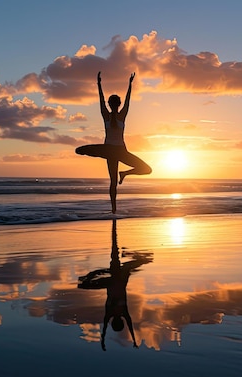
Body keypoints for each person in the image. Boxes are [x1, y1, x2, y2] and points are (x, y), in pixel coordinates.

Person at [75, 71, 152, 213]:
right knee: (141, 172)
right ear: (116, 104)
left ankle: (124, 176)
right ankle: (114, 210)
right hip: (111, 150)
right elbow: (112, 100)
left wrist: (100, 84)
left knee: (137, 173)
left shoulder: (114, 115)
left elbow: (104, 100)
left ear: (112, 104)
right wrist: (129, 84)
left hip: (114, 151)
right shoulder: (112, 115)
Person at [77, 219, 153, 350]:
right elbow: (126, 326)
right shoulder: (120, 313)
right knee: (123, 258)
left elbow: (110, 326)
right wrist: (132, 340)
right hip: (118, 280)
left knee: (85, 283)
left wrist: (104, 340)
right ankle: (125, 253)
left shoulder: (113, 313)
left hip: (113, 281)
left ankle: (120, 252)